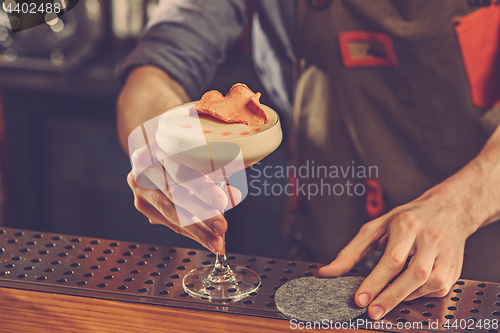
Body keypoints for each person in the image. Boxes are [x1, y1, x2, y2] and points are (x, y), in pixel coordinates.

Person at [117, 0, 500, 320]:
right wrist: (157, 148)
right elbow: (160, 61)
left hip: (473, 275)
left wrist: (459, 206)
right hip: (318, 254)